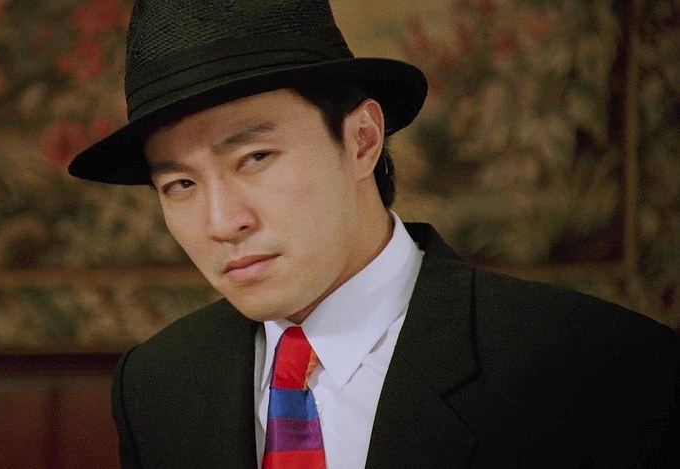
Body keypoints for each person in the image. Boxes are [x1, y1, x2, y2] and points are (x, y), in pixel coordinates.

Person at [68, 0, 680, 467]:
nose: (222, 222)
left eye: (254, 157)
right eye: (180, 184)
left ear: (362, 140)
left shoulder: (597, 368)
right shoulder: (157, 385)